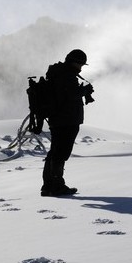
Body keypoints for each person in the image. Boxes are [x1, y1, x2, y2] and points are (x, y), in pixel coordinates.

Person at [40, 49, 94, 197]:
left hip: (59, 119)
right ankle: (56, 186)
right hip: (66, 120)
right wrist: (84, 91)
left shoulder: (60, 73)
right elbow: (70, 96)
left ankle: (48, 186)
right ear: (73, 62)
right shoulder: (66, 76)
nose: (81, 67)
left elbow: (65, 95)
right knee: (61, 153)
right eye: (80, 64)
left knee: (55, 152)